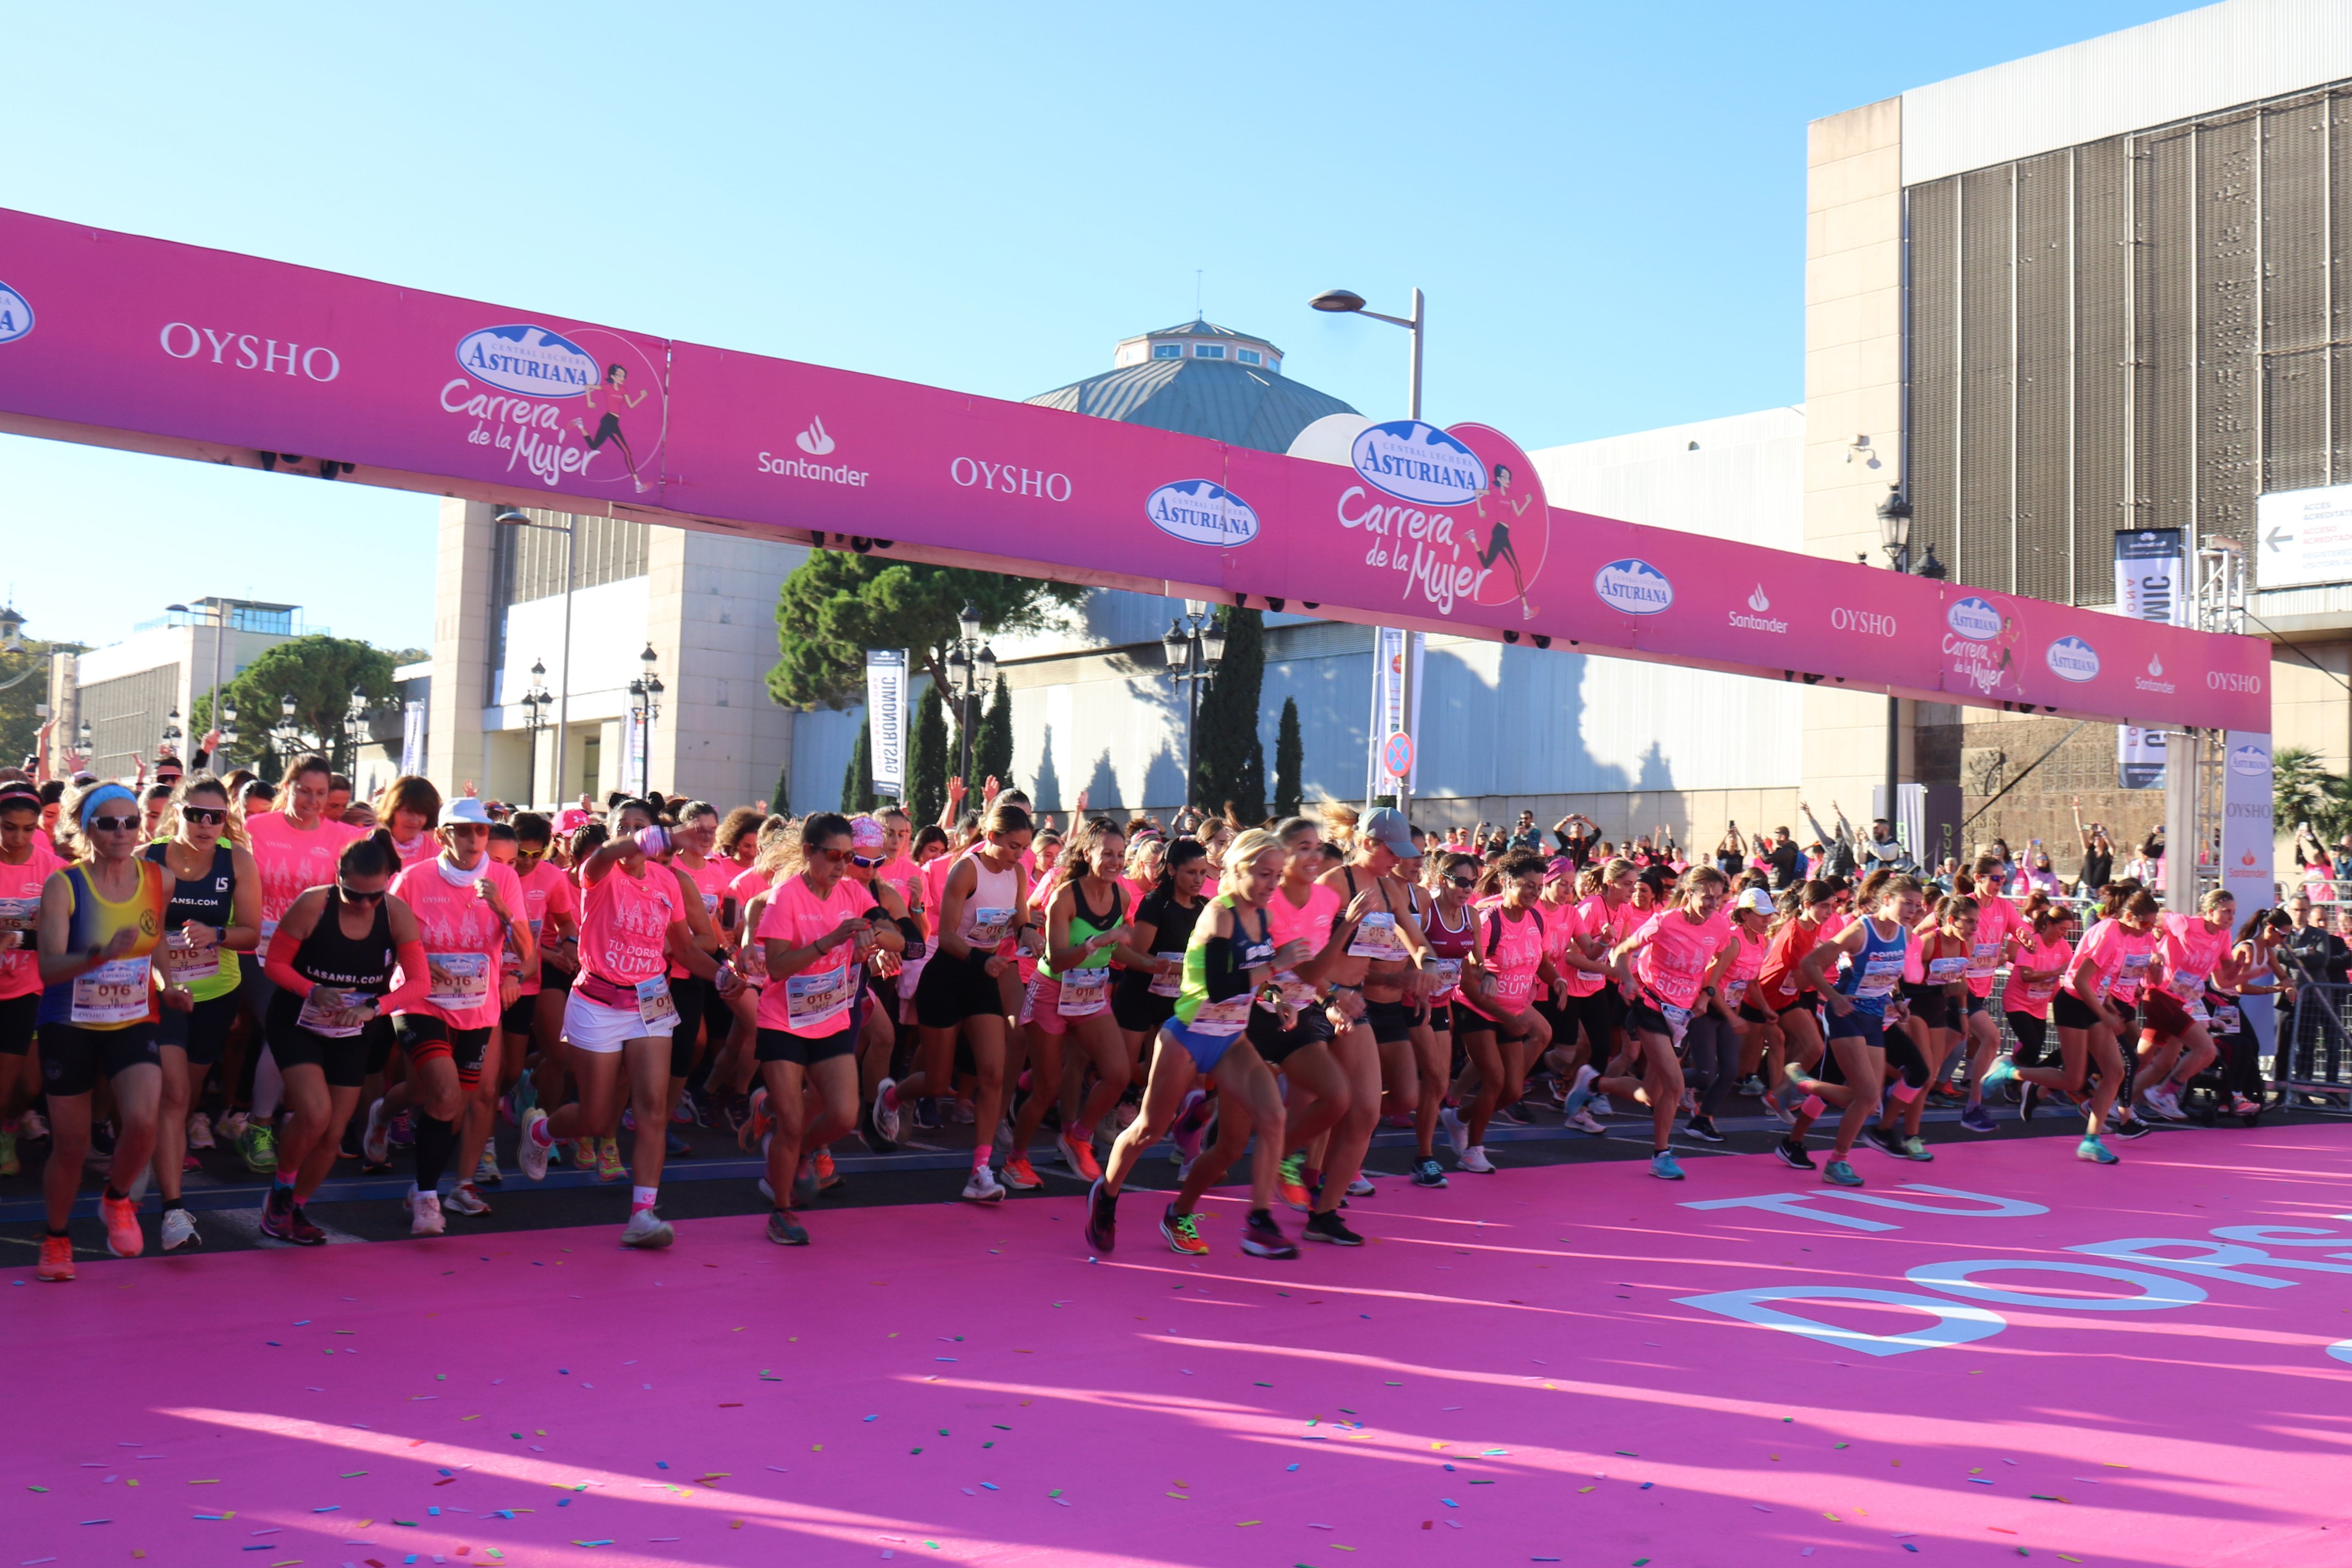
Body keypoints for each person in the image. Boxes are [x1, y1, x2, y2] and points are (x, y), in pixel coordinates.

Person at [515, 798, 744, 1247]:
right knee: (598, 1116)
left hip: (650, 1003)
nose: (636, 835)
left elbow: (684, 948)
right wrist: (650, 837)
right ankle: (540, 1130)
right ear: (614, 834)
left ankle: (643, 1214)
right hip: (597, 1001)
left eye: (643, 827)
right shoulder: (596, 874)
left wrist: (721, 973)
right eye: (627, 827)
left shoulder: (668, 882)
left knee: (652, 1110)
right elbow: (607, 854)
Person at [1088, 827, 1301, 1260]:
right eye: (1264, 875)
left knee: (1273, 1115)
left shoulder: (1263, 916)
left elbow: (1255, 973)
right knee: (1149, 1130)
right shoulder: (1219, 914)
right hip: (1188, 1034)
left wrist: (1275, 997)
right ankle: (1106, 1196)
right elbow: (1221, 987)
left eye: (1277, 876)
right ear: (1238, 871)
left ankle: (1258, 1220)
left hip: (1230, 1038)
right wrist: (1276, 968)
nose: (1272, 886)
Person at [361, 797, 532, 1233]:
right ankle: (426, 1197)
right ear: (444, 835)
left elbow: (528, 957)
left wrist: (502, 909)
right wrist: (416, 959)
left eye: (480, 831)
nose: (474, 839)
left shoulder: (504, 879)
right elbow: (383, 936)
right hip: (421, 999)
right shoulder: (415, 879)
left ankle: (382, 1114)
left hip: (477, 1007)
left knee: (430, 1095)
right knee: (445, 1095)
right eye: (463, 830)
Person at [32, 783, 171, 1280]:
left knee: (143, 1120)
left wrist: (169, 983)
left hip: (133, 1018)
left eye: (131, 822)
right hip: (70, 1022)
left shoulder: (158, 877)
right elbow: (49, 968)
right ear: (87, 828)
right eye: (108, 823)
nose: (122, 832)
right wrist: (101, 955)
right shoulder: (64, 886)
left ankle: (117, 1200)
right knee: (70, 1144)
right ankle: (56, 1239)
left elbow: (156, 941)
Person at [260, 831, 427, 1243]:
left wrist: (376, 1007)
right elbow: (275, 964)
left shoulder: (396, 914)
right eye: (355, 895)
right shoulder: (313, 905)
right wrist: (311, 989)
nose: (366, 904)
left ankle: (294, 1209)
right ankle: (280, 1193)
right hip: (298, 1022)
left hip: (354, 1028)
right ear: (338, 879)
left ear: (388, 881)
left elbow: (419, 983)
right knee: (315, 1114)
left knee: (334, 1132)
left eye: (376, 895)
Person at [750, 812, 903, 1245]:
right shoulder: (786, 899)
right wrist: (830, 941)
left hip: (830, 1019)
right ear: (808, 853)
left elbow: (896, 937)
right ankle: (781, 1210)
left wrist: (872, 936)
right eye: (833, 855)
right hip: (783, 1023)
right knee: (793, 1122)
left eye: (848, 856)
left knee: (843, 1115)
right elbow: (777, 968)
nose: (841, 865)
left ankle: (793, 1156)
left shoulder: (853, 892)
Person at [877, 801, 1037, 1202]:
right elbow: (945, 935)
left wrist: (1031, 935)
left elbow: (1021, 920)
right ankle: (892, 1096)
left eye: (1024, 848)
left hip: (985, 977)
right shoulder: (967, 869)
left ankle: (980, 1171)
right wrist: (984, 959)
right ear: (993, 837)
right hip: (948, 974)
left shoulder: (1017, 873)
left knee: (993, 1073)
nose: (1020, 855)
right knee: (937, 1079)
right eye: (1014, 846)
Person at [143, 775, 262, 1249]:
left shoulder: (238, 862)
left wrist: (218, 935)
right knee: (172, 1095)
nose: (206, 825)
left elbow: (252, 933)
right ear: (179, 813)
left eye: (216, 817)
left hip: (216, 992)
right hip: (160, 991)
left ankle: (149, 1160)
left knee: (185, 1096)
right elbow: (139, 930)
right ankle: (173, 1210)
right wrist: (166, 981)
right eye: (196, 815)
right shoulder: (149, 859)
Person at [235, 754, 361, 1174]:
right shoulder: (256, 829)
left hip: (311, 951)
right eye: (303, 790)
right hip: (255, 946)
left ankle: (275, 1121)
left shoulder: (344, 836)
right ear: (286, 787)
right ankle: (258, 1123)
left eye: (321, 793)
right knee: (280, 1023)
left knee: (296, 1028)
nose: (312, 800)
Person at [1010, 816, 1140, 1188]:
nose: (1116, 862)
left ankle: (1078, 1136)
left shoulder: (1122, 895)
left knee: (1118, 1073)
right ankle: (1015, 1160)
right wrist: (1099, 941)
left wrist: (1155, 965)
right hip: (1051, 991)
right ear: (1088, 853)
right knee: (1046, 1088)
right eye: (1108, 854)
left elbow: (1120, 949)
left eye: (1121, 855)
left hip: (1091, 993)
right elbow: (1055, 959)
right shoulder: (1064, 897)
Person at [1787, 874, 1930, 1188]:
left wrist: (1896, 1000)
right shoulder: (1860, 930)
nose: (1912, 911)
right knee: (1865, 1095)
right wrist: (1834, 997)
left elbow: (1889, 972)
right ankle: (1837, 1162)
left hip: (1874, 1018)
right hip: (1846, 1014)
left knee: (1868, 1099)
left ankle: (1807, 1084)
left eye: (1917, 906)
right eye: (1907, 903)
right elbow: (1811, 964)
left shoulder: (1904, 934)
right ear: (1887, 900)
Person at [1604, 865, 1735, 1177]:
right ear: (1689, 894)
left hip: (1682, 1015)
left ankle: (1593, 1083)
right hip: (1650, 1005)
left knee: (1652, 1094)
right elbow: (1620, 952)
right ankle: (1661, 1155)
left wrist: (1708, 992)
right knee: (1675, 1085)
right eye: (1707, 897)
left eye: (1718, 898)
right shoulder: (1664, 923)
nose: (1713, 905)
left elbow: (1725, 955)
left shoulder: (1717, 926)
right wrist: (1627, 980)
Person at [0, 781, 62, 1178]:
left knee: (30, 1084)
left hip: (30, 986)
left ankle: (8, 1124)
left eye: (28, 828)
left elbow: (67, 934)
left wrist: (19, 937)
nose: (19, 837)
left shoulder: (54, 870)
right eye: (8, 827)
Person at [2133, 889, 2234, 1121]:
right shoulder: (2185, 924)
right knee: (2206, 1050)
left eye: (2234, 913)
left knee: (2156, 1062)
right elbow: (2150, 921)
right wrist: (2154, 952)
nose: (2231, 917)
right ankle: (2163, 1094)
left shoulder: (2224, 936)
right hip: (2160, 995)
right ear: (2210, 912)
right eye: (2226, 911)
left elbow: (2225, 977)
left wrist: (2245, 967)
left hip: (2180, 1001)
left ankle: (2110, 1101)